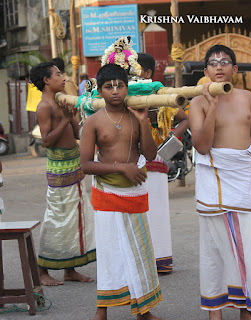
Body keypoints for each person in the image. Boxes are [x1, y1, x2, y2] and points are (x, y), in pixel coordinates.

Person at [189, 45, 251, 320]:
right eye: (213, 63)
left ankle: (246, 308)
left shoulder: (248, 97)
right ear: (205, 72)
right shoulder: (197, 102)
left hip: (244, 184)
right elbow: (201, 147)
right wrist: (213, 105)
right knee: (215, 250)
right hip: (215, 184)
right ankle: (215, 312)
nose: (219, 66)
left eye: (225, 62)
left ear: (234, 70)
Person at [80, 63, 162, 320]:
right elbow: (85, 165)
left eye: (120, 86)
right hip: (107, 193)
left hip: (133, 192)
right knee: (109, 252)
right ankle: (101, 310)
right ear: (100, 91)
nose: (115, 91)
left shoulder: (136, 115)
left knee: (138, 251)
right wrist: (122, 167)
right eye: (108, 87)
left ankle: (143, 310)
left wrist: (143, 123)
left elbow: (150, 154)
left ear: (127, 87)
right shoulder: (92, 122)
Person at [29, 62, 96, 286]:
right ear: (46, 80)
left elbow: (76, 132)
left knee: (74, 218)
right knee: (56, 218)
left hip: (73, 164)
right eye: (58, 74)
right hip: (58, 168)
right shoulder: (44, 106)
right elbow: (46, 141)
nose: (63, 77)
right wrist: (67, 119)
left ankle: (70, 270)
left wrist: (74, 116)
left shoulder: (61, 100)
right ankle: (42, 270)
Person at [137, 52, 188, 274]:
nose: (131, 73)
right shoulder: (125, 93)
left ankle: (160, 261)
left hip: (157, 158)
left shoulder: (160, 94)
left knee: (156, 211)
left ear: (147, 72)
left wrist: (171, 140)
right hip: (133, 160)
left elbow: (184, 118)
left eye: (134, 69)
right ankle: (139, 261)